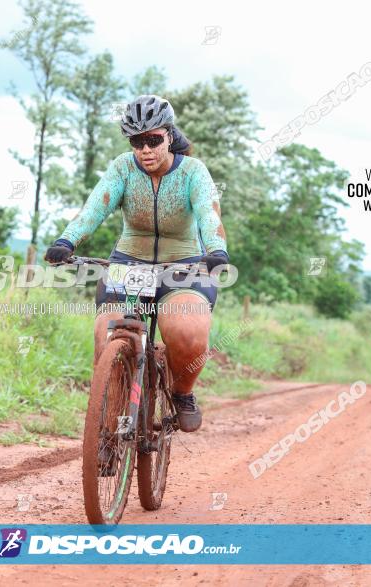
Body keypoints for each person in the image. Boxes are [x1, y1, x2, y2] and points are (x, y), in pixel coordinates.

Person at [44, 95, 229, 433]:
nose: (146, 149)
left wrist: (216, 249)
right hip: (129, 262)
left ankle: (183, 392)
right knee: (107, 335)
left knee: (188, 333)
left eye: (153, 140)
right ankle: (110, 426)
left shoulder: (192, 172)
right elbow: (94, 209)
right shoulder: (122, 168)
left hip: (183, 267)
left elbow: (207, 212)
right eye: (137, 142)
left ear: (169, 135)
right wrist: (66, 241)